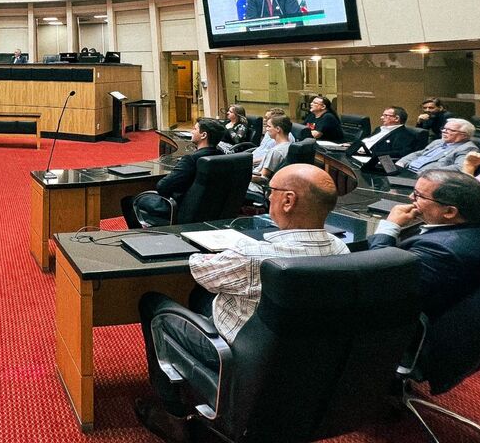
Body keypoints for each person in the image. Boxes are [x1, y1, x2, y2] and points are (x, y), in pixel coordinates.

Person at [134, 164, 348, 439]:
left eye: (271, 191)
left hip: (236, 354)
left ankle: (174, 415)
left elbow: (201, 270)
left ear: (288, 200)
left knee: (152, 304)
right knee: (202, 297)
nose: (267, 197)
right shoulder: (341, 249)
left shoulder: (252, 253)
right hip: (302, 359)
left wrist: (223, 254)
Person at [366, 169, 480, 317]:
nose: (411, 197)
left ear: (449, 212)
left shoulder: (441, 250)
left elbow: (381, 275)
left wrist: (389, 227)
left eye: (418, 195)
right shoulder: (476, 227)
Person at [121, 117, 224, 228]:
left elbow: (162, 187)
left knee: (129, 201)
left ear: (203, 135)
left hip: (179, 208)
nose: (191, 132)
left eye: (194, 129)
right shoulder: (222, 157)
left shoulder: (191, 160)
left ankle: (139, 235)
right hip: (211, 211)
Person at [396, 118, 478, 174]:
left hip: (425, 177)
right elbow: (419, 153)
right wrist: (401, 162)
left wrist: (427, 172)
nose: (444, 131)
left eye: (450, 130)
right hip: (406, 170)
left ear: (464, 135)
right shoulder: (438, 142)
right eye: (444, 128)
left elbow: (459, 168)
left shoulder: (468, 148)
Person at [253, 114, 291, 182]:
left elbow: (263, 177)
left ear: (278, 129)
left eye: (269, 126)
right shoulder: (290, 145)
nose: (267, 129)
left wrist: (244, 176)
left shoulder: (275, 151)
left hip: (257, 186)